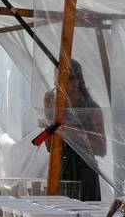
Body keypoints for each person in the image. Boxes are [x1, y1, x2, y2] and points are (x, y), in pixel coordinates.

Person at [42, 59, 106, 201]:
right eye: (55, 79)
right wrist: (48, 116)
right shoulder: (59, 109)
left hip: (84, 175)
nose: (55, 85)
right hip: (61, 172)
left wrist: (70, 131)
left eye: (60, 80)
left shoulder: (91, 109)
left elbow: (101, 149)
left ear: (75, 82)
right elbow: (48, 147)